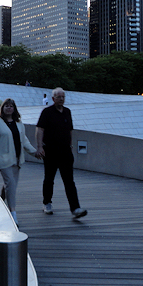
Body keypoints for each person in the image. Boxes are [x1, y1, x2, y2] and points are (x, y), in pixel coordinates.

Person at [36, 88, 87, 218]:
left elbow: (70, 130)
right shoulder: (47, 112)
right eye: (58, 97)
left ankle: (75, 208)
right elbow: (39, 129)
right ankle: (47, 203)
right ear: (53, 99)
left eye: (63, 96)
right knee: (49, 178)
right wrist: (40, 146)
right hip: (51, 151)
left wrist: (70, 145)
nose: (61, 99)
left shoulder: (67, 112)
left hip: (65, 151)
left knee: (69, 180)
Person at [0, 99, 37, 226]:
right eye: (6, 106)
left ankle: (0, 202)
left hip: (17, 160)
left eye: (11, 106)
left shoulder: (18, 123)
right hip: (4, 160)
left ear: (14, 108)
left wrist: (35, 152)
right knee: (11, 185)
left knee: (9, 185)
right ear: (2, 108)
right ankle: (13, 213)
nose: (9, 108)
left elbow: (24, 141)